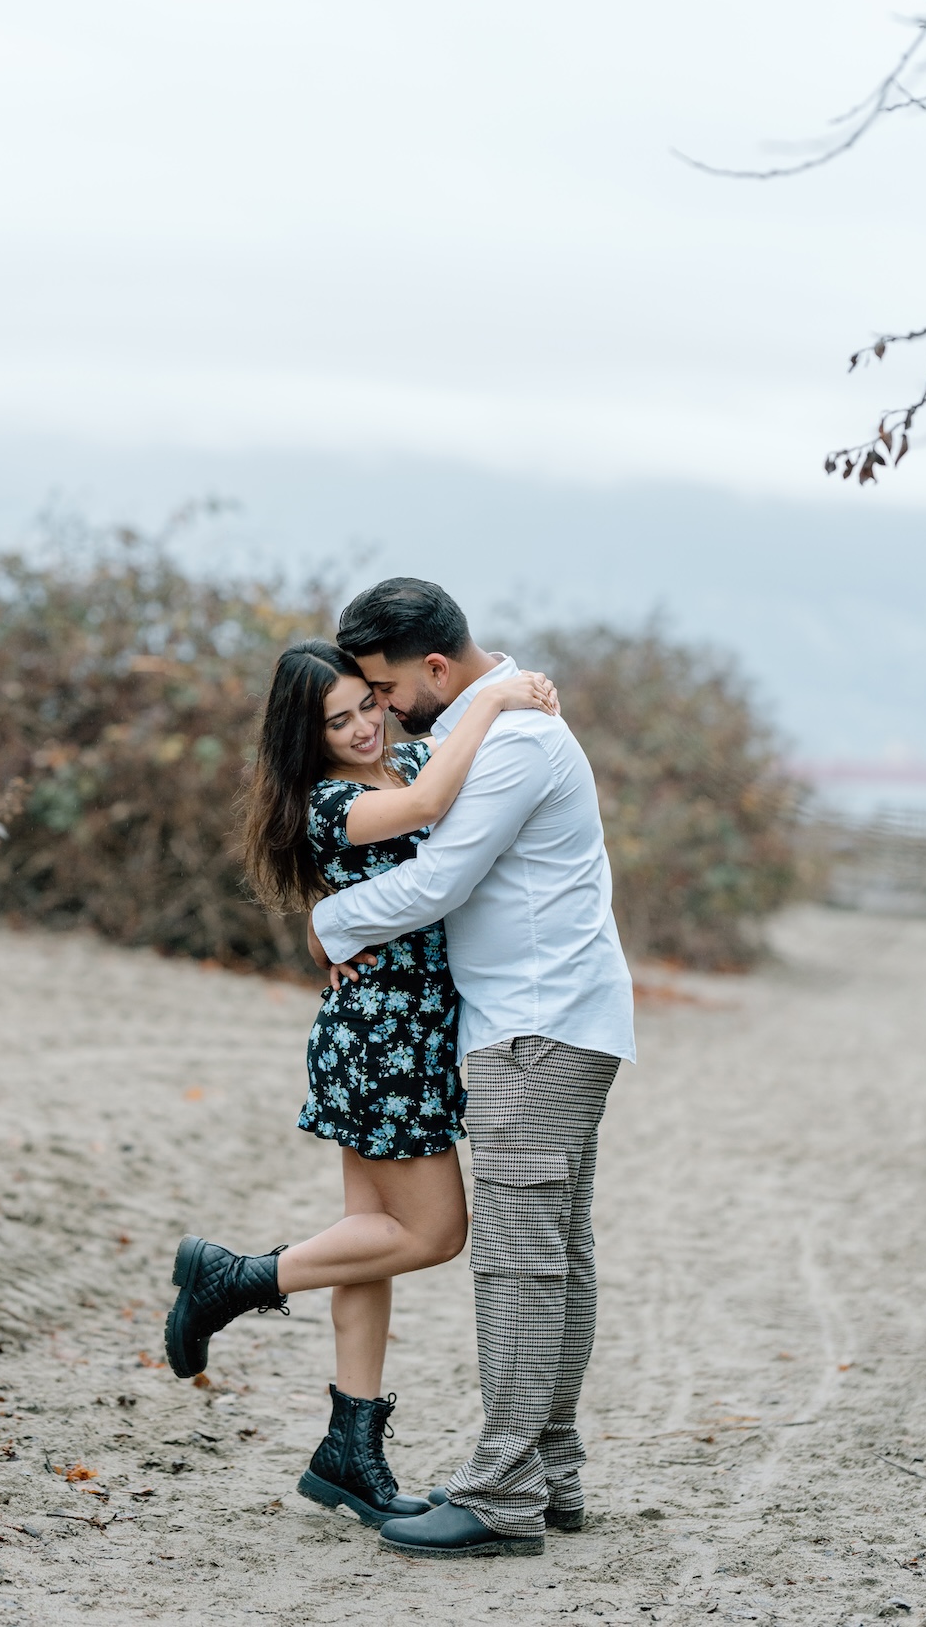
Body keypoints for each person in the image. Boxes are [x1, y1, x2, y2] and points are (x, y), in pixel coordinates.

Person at [163, 637, 558, 1527]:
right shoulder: (332, 802)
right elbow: (428, 806)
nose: (362, 727)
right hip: (381, 1039)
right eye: (336, 722)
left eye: (368, 704)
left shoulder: (408, 759)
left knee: (369, 1240)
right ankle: (237, 1278)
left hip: (410, 1031)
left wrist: (325, 926)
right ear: (308, 739)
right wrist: (497, 699)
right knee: (435, 1233)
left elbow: (442, 785)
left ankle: (349, 1450)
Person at [308, 578, 636, 1560]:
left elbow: (440, 881)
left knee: (520, 1260)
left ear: (436, 667)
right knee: (557, 1253)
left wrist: (330, 922)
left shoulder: (514, 742)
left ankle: (502, 1497)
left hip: (536, 1028)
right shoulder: (489, 728)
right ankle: (549, 1476)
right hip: (552, 1018)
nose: (382, 707)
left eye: (385, 688)